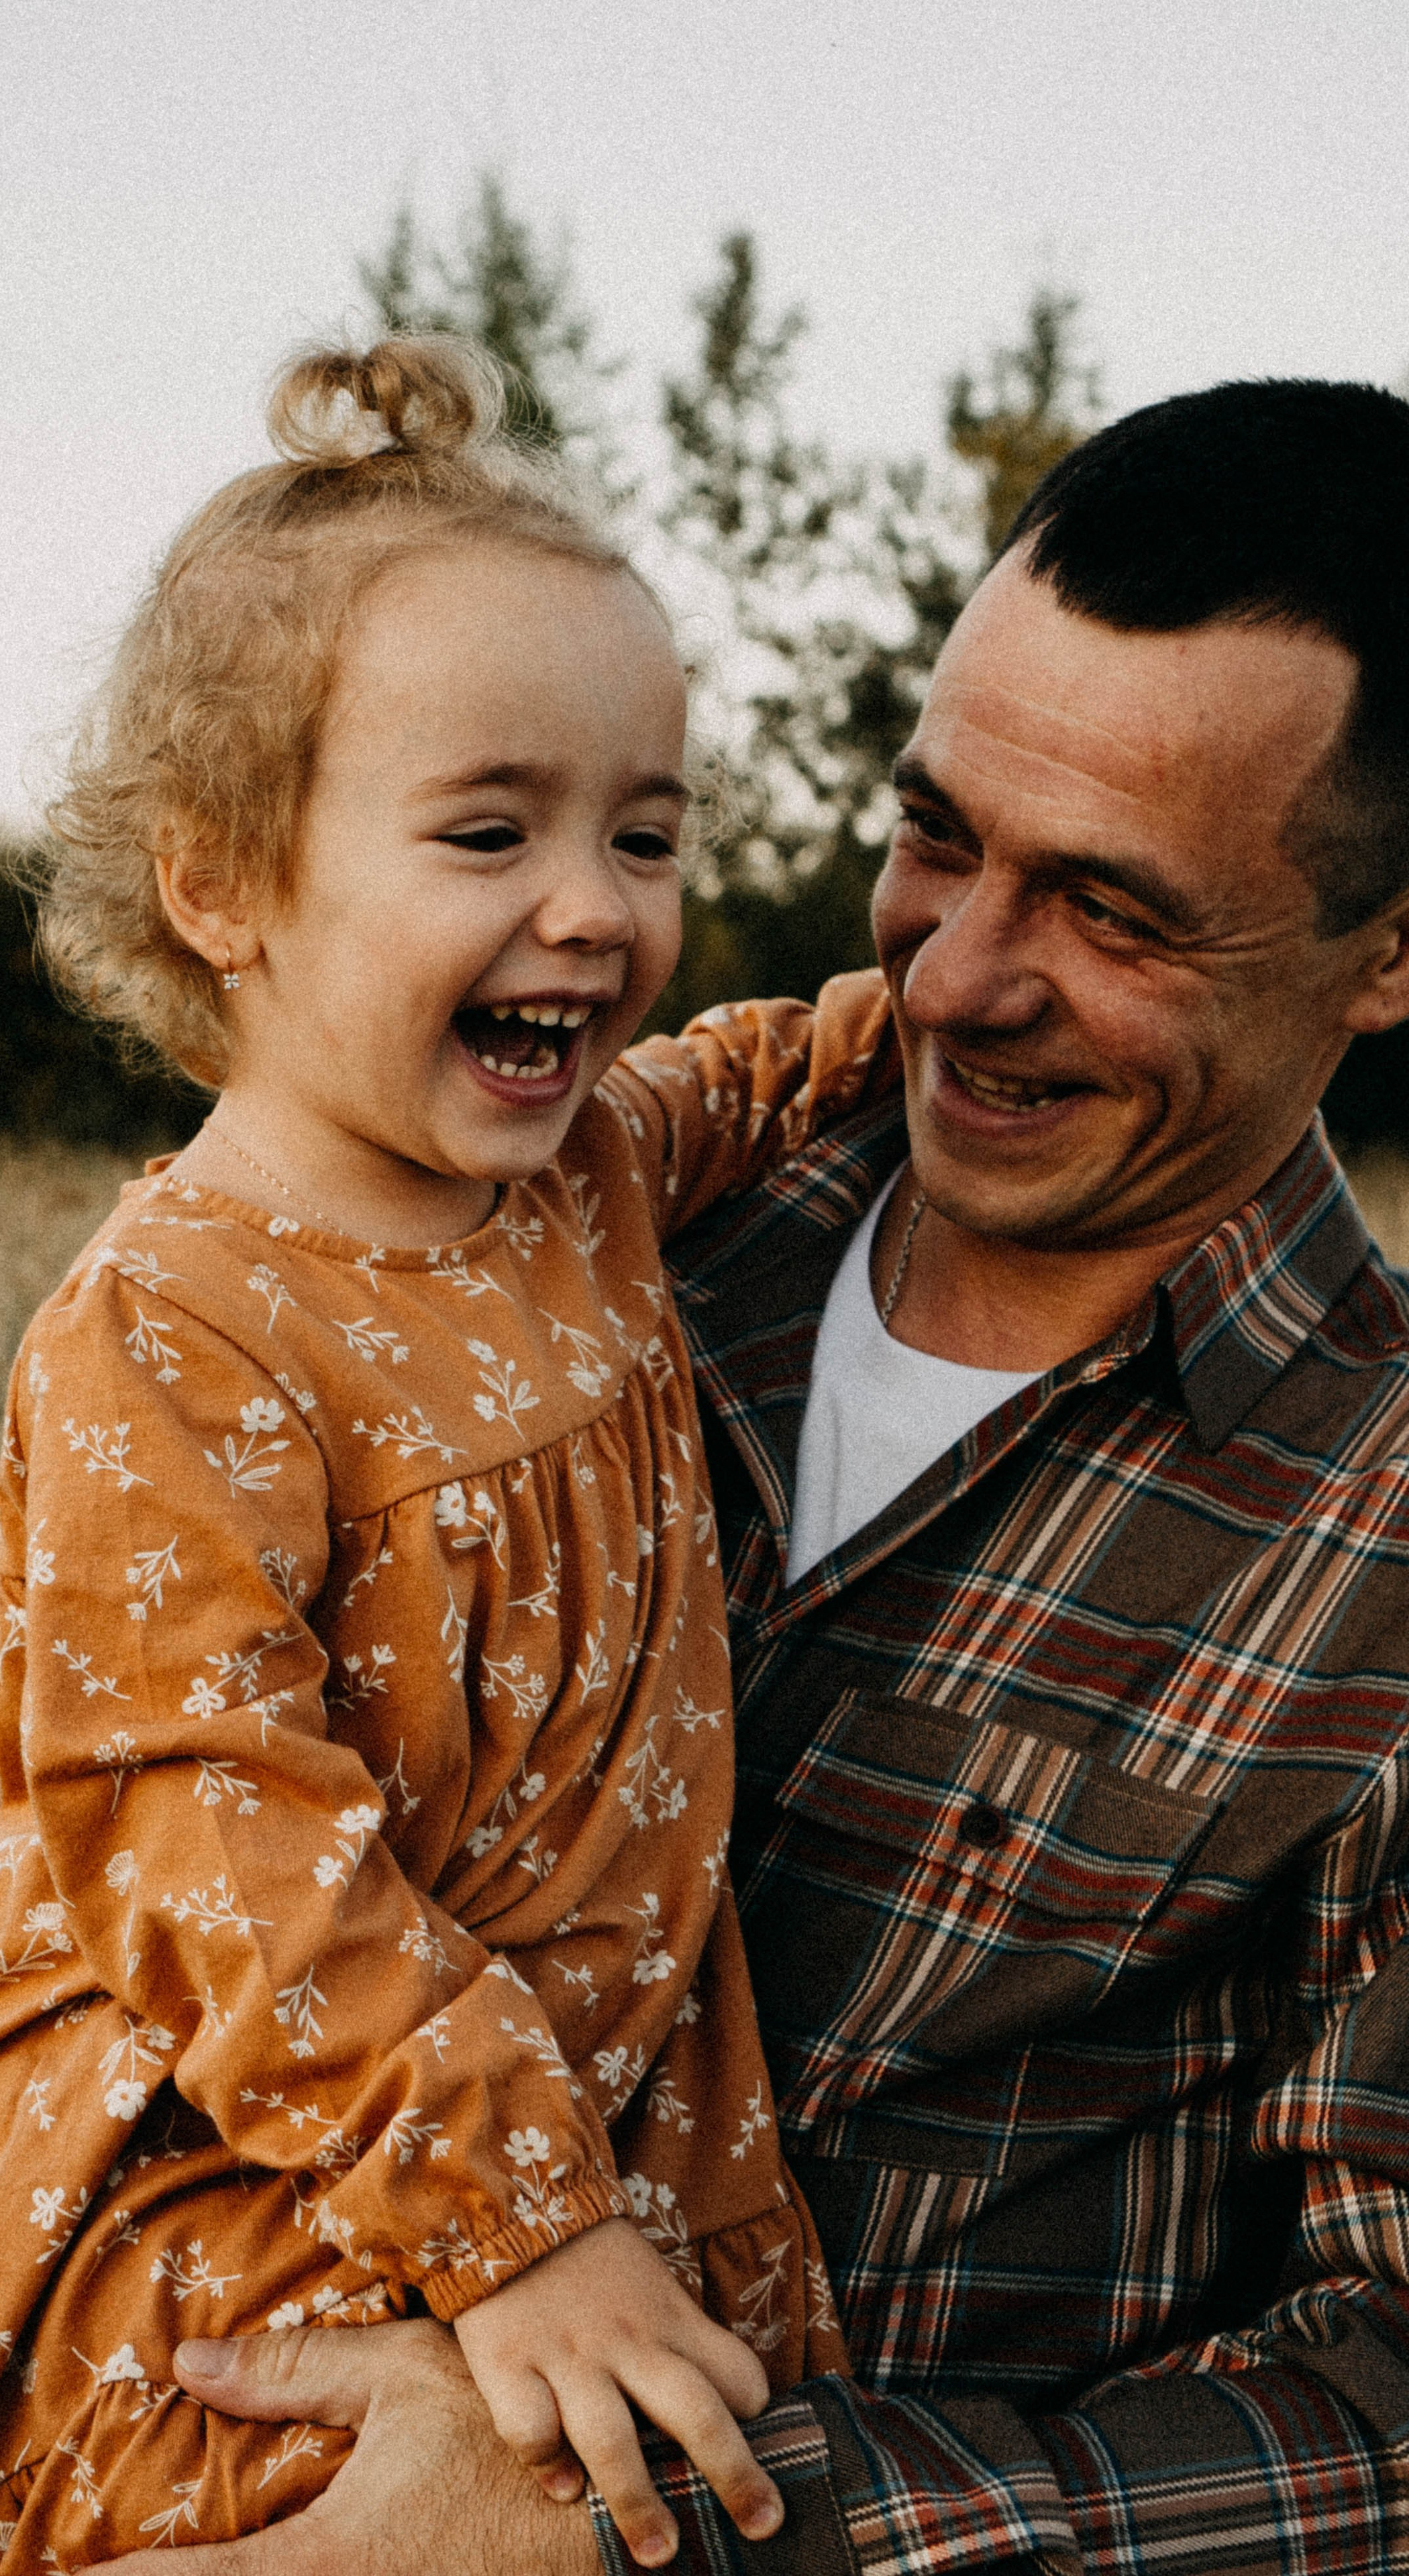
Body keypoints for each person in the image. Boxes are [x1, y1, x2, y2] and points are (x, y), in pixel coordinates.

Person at [87, 376, 1409, 2576]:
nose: (961, 979)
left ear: (1389, 957)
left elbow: (1383, 2409)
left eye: (1115, 912)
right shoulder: (586, 1200)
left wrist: (657, 2535)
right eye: (938, 837)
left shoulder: (1377, 1542)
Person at [0, 334, 871, 2575]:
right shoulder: (180, 1326)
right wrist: (518, 2223)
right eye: (488, 830)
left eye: (646, 832)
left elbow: (753, 1072)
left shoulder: (577, 1170)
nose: (590, 901)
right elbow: (205, 1829)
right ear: (223, 882)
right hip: (256, 2154)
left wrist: (938, 1001)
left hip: (556, 2130)